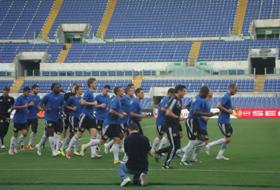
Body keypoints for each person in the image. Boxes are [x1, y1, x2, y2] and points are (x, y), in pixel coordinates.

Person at [180, 87, 218, 165]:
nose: (209, 95)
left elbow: (192, 109)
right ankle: (183, 159)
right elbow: (194, 112)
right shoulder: (199, 99)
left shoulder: (198, 98)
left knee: (202, 140)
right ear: (204, 93)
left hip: (195, 122)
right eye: (208, 94)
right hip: (192, 121)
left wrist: (213, 114)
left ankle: (186, 154)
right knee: (193, 141)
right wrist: (206, 114)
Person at [66, 78, 98, 159]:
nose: (96, 84)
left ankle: (93, 154)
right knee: (79, 135)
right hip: (85, 116)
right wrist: (93, 103)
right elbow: (82, 102)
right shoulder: (88, 93)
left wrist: (96, 105)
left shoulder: (91, 93)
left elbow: (88, 104)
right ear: (91, 84)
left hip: (91, 116)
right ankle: (68, 149)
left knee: (94, 135)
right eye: (95, 83)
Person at [155, 85, 186, 169]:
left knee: (176, 145)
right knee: (174, 146)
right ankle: (166, 165)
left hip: (175, 125)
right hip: (170, 126)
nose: (185, 93)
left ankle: (159, 152)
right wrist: (178, 117)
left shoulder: (179, 100)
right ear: (179, 91)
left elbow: (167, 108)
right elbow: (167, 112)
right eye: (184, 91)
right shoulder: (174, 99)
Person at [205, 83, 238, 160]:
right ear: (231, 88)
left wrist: (233, 108)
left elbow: (227, 107)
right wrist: (228, 111)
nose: (236, 91)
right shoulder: (226, 96)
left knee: (227, 139)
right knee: (228, 139)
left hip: (226, 120)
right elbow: (219, 106)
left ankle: (220, 155)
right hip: (223, 121)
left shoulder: (228, 96)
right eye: (235, 90)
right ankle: (209, 145)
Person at [118, 123, 151, 187]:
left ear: (129, 130)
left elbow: (127, 153)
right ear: (138, 129)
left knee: (120, 167)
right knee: (136, 181)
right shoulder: (145, 138)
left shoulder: (127, 139)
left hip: (132, 166)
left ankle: (125, 178)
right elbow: (149, 152)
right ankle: (141, 176)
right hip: (144, 166)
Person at [36, 83, 64, 157]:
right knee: (50, 134)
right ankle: (53, 152)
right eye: (57, 87)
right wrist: (45, 109)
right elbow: (40, 104)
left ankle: (40, 145)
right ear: (53, 88)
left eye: (59, 87)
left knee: (56, 134)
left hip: (58, 118)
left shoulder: (61, 96)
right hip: (49, 118)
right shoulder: (48, 96)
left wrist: (62, 110)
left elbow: (63, 105)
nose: (58, 88)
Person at [102, 86, 127, 164]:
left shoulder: (118, 100)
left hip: (115, 123)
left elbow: (117, 109)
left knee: (118, 140)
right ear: (117, 92)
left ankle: (116, 160)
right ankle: (85, 146)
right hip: (109, 123)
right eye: (121, 91)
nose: (123, 92)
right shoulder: (115, 100)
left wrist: (122, 113)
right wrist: (119, 115)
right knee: (101, 141)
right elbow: (111, 110)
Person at [8, 87, 32, 155]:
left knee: (25, 133)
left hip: (24, 119)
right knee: (15, 135)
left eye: (29, 92)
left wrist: (28, 106)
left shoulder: (27, 98)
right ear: (24, 91)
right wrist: (24, 106)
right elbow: (14, 107)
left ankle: (15, 145)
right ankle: (11, 149)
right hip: (17, 120)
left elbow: (26, 106)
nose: (28, 93)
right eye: (27, 92)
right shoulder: (19, 98)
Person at [151, 88, 175, 154]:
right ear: (170, 93)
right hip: (161, 121)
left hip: (164, 121)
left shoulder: (165, 99)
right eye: (173, 94)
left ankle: (159, 150)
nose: (174, 96)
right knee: (160, 136)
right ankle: (153, 150)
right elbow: (162, 109)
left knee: (165, 135)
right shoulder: (166, 99)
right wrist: (171, 112)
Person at [65, 85, 83, 158]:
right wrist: (72, 108)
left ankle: (65, 146)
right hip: (73, 117)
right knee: (76, 133)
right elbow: (65, 105)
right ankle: (74, 150)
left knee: (75, 134)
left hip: (80, 118)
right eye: (81, 89)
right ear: (77, 90)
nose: (82, 90)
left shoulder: (82, 99)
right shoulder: (71, 98)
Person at [92, 85, 110, 157]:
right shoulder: (98, 97)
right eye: (106, 90)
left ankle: (97, 146)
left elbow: (107, 106)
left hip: (106, 119)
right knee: (99, 134)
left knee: (104, 134)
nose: (107, 92)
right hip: (99, 118)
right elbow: (93, 106)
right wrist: (100, 106)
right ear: (103, 89)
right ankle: (95, 149)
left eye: (108, 91)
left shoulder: (108, 97)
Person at [26, 84, 41, 151]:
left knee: (34, 130)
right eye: (36, 89)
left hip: (34, 117)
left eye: (38, 89)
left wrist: (43, 109)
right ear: (33, 89)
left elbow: (38, 106)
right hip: (26, 116)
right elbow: (24, 105)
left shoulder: (38, 97)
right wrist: (28, 105)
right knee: (25, 132)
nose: (38, 90)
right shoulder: (28, 96)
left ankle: (30, 144)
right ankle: (20, 144)